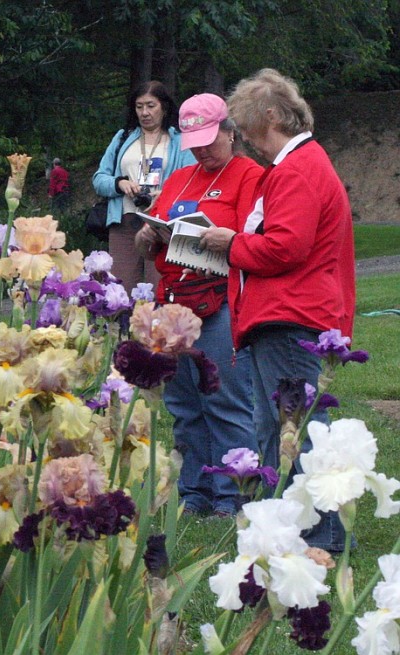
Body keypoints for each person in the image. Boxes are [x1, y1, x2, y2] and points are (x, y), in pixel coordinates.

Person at [201, 69, 355, 551]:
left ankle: (317, 534)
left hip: (292, 316)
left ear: (270, 116)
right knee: (282, 427)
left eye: (247, 128)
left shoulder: (297, 169)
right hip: (289, 315)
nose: (245, 141)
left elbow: (286, 247)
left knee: (296, 430)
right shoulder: (299, 166)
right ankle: (295, 527)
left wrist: (232, 245)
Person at [136, 94, 263, 517]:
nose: (203, 150)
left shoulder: (250, 175)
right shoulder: (180, 178)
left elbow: (254, 239)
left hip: (221, 298)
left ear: (231, 133)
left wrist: (224, 238)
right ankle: (195, 492)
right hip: (175, 302)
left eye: (211, 139)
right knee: (185, 403)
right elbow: (155, 222)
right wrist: (148, 235)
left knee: (225, 400)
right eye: (195, 142)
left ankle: (234, 496)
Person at [92, 81, 196, 294]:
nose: (145, 113)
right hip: (124, 220)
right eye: (139, 107)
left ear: (164, 107)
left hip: (161, 223)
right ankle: (118, 327)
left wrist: (165, 194)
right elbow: (99, 178)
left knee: (159, 285)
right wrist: (119, 184)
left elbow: (192, 179)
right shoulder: (123, 138)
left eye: (151, 105)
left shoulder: (179, 140)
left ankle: (157, 327)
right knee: (118, 287)